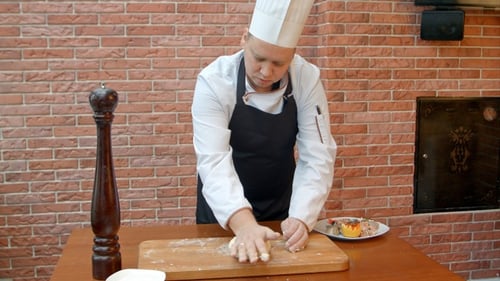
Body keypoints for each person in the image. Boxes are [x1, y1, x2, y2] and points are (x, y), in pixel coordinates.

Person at [191, 0, 336, 264]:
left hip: (282, 209)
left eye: (279, 63)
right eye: (258, 58)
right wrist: (244, 224)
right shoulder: (214, 81)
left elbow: (317, 154)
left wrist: (301, 218)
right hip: (223, 214)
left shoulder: (306, 78)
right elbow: (212, 160)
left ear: (292, 55)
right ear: (244, 38)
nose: (266, 72)